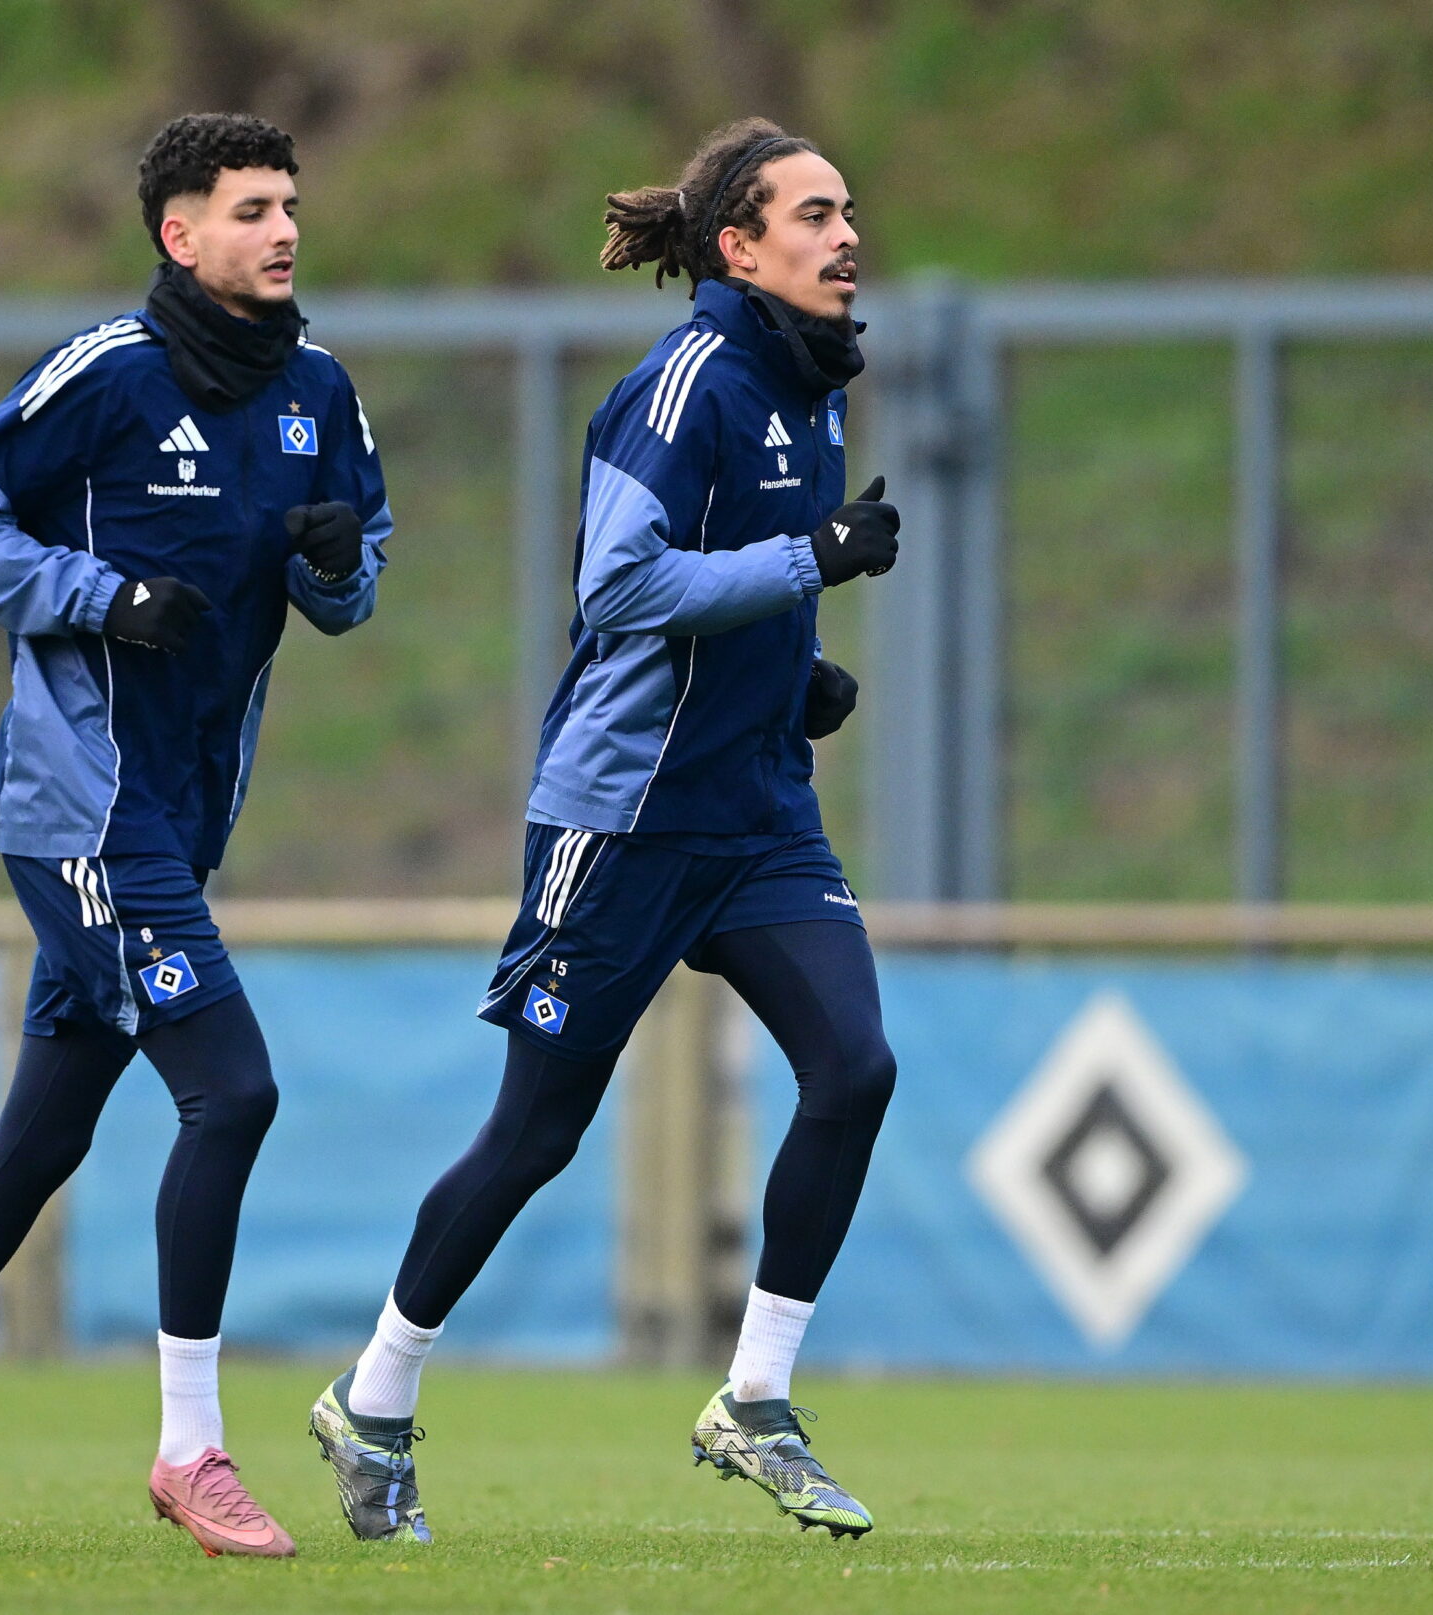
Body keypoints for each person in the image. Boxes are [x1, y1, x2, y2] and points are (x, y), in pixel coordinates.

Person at [0, 112, 392, 1559]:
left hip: (184, 819)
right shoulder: (109, 375)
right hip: (87, 811)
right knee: (232, 1094)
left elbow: (359, 585)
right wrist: (95, 595)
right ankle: (193, 1450)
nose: (285, 229)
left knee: (39, 1140)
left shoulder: (317, 384)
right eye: (251, 208)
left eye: (291, 203)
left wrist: (335, 568)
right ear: (179, 235)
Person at [309, 117, 898, 1544]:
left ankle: (754, 1398)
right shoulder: (683, 382)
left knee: (855, 1067)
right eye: (815, 216)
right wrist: (807, 562)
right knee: (537, 1134)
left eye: (848, 212)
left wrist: (792, 667)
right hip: (625, 817)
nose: (847, 235)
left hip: (756, 813)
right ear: (739, 248)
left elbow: (727, 590)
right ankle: (372, 1401)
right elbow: (622, 586)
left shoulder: (812, 387)